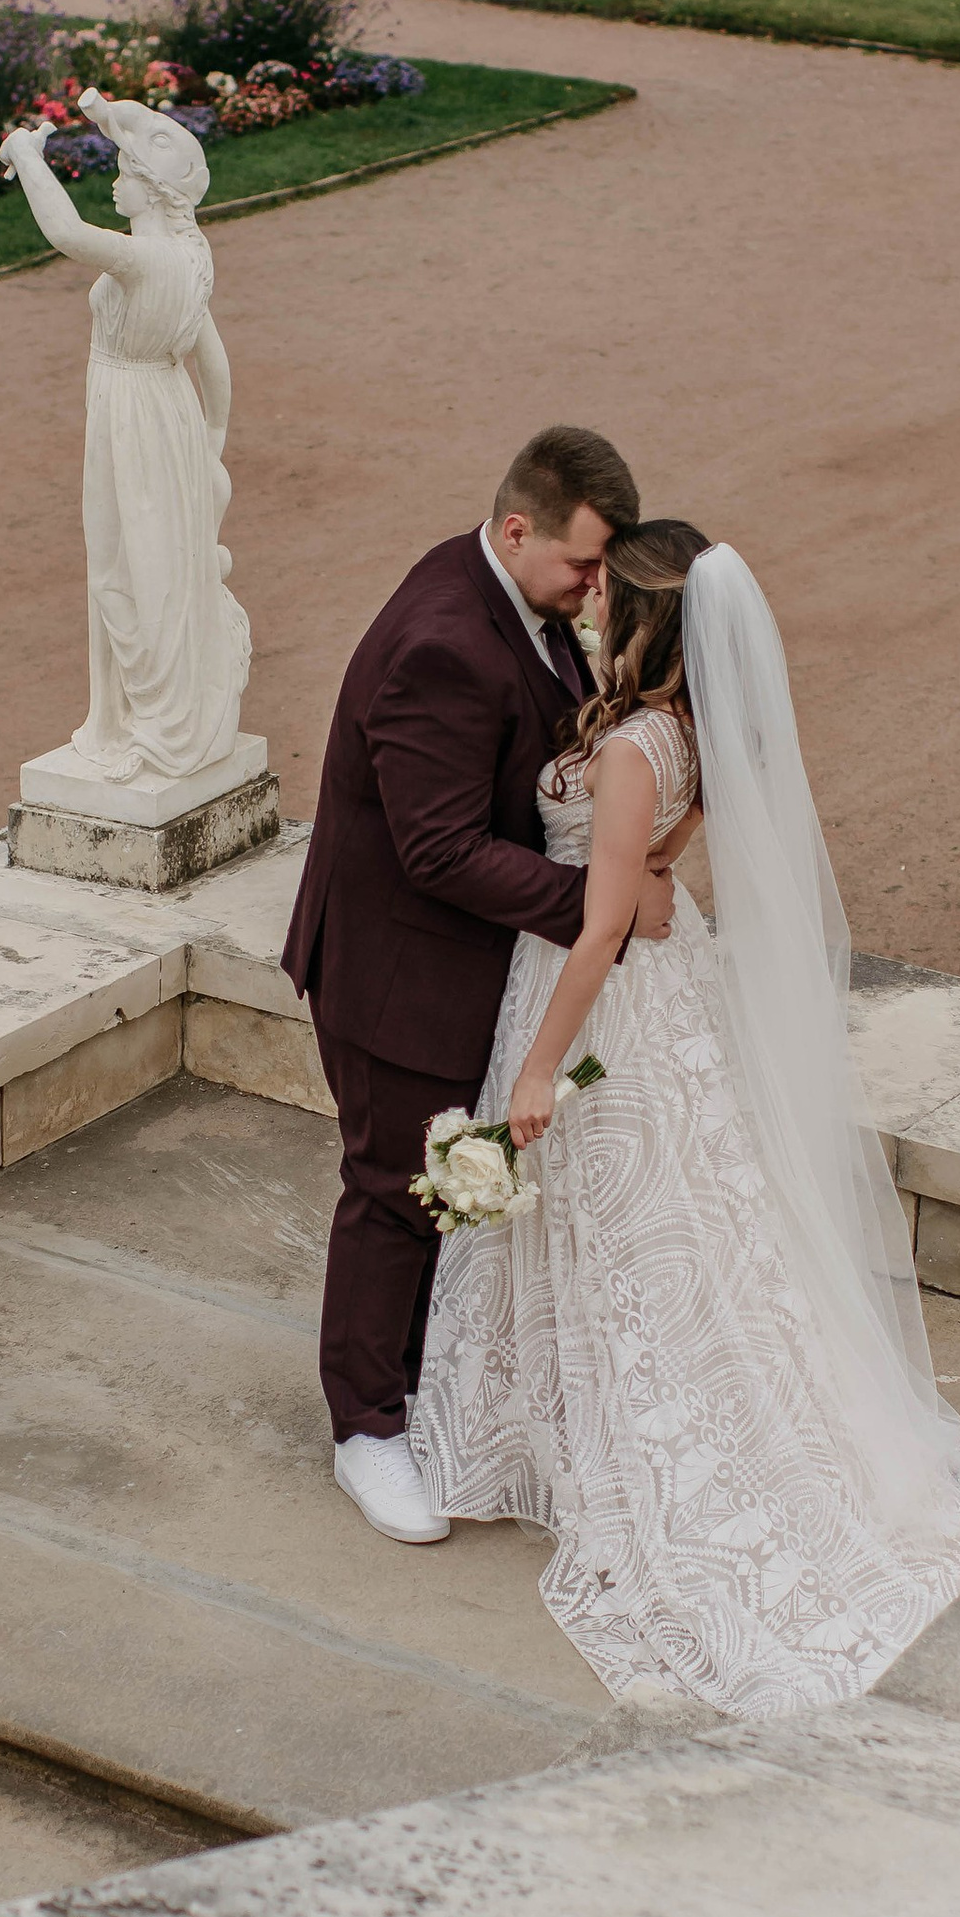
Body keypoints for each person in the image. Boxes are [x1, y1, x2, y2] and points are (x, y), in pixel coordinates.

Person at [409, 524, 960, 1713]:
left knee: (631, 1230)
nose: (592, 603)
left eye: (612, 593)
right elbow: (656, 865)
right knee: (682, 1226)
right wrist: (649, 870)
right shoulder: (687, 732)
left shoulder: (626, 748)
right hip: (667, 1000)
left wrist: (536, 1070)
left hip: (607, 1005)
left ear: (652, 622)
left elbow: (602, 925)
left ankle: (631, 1448)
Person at [283, 426, 676, 1542]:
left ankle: (425, 1388)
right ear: (516, 529)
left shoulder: (511, 592)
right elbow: (440, 850)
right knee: (394, 1194)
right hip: (397, 975)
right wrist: (605, 910)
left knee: (446, 1196)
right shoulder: (444, 643)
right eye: (584, 564)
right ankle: (366, 1430)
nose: (595, 589)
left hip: (469, 967)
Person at [0, 94, 248, 786]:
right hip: (167, 410)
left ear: (153, 188)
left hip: (133, 416)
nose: (115, 181)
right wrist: (211, 439)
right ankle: (136, 712)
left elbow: (66, 232)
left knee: (129, 567)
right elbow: (215, 364)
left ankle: (154, 719)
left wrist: (27, 156)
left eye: (124, 170)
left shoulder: (147, 259)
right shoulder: (190, 257)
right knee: (157, 562)